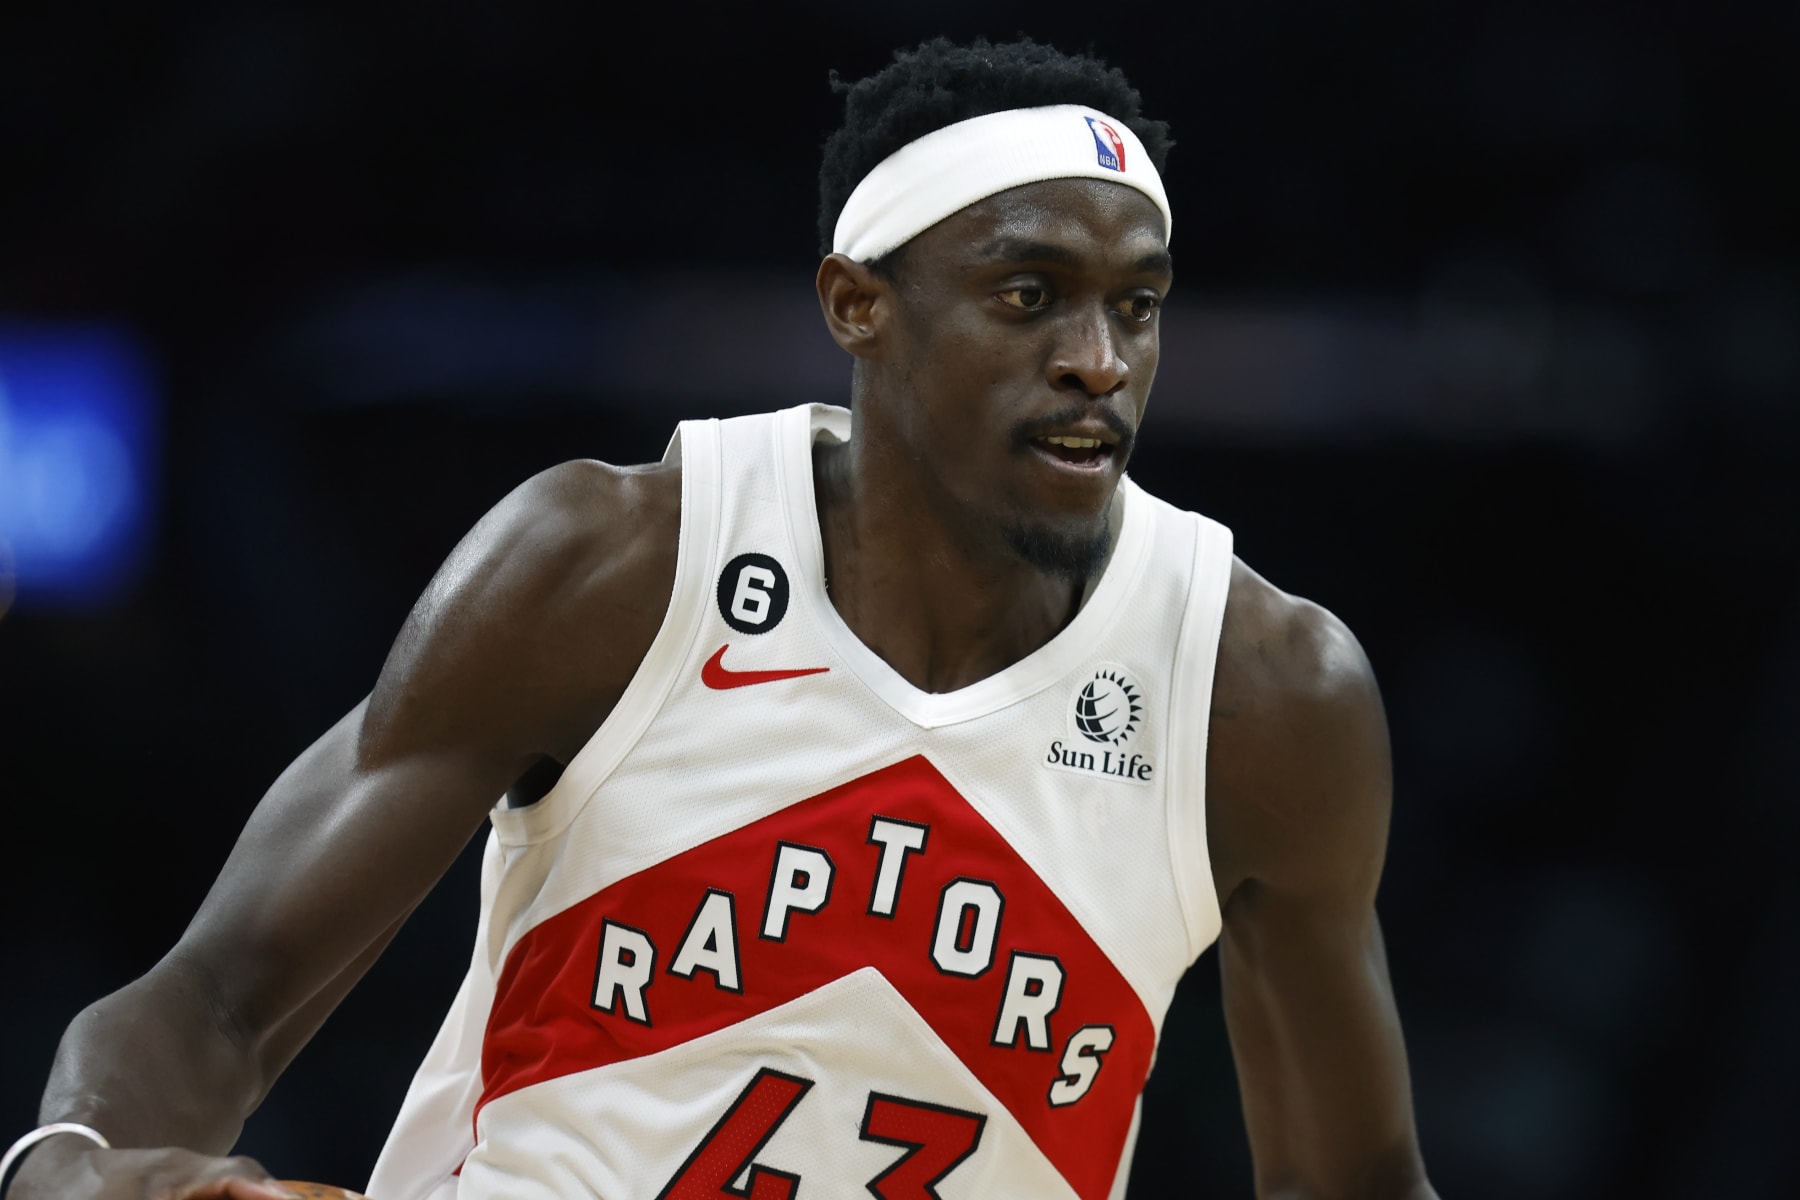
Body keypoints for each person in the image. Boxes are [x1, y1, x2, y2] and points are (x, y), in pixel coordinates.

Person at [3, 37, 1438, 1200]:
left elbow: (1357, 1179)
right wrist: (82, 1176)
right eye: (1029, 296)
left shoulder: (1260, 693)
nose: (1096, 361)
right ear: (858, 304)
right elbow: (213, 1000)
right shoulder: (615, 565)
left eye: (1138, 307)